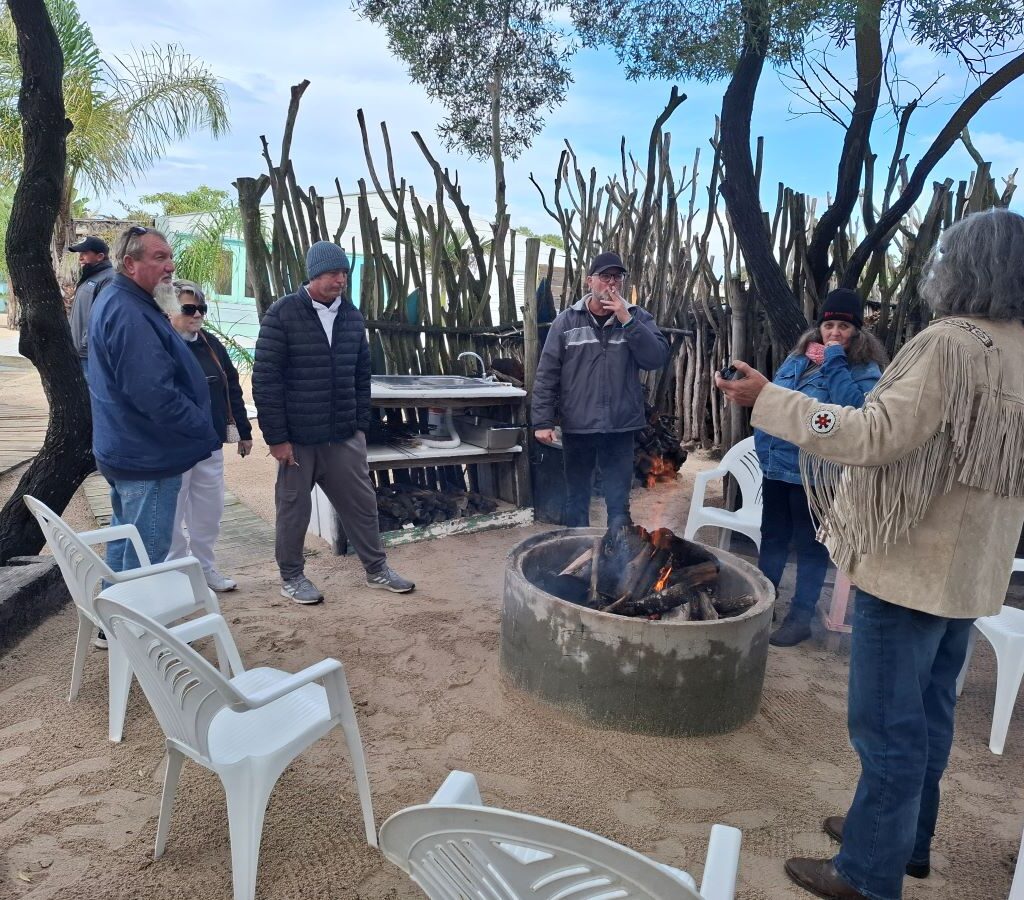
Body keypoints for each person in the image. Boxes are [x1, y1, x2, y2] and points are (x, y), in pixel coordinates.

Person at [716, 207, 1024, 900]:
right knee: (931, 713)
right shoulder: (1019, 349)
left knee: (888, 726)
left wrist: (770, 399)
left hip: (911, 564)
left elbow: (874, 436)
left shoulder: (950, 342)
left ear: (963, 267)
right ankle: (901, 838)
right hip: (972, 573)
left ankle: (867, 872)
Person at [253, 240, 415, 605]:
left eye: (343, 273)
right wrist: (277, 439)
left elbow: (361, 374)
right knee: (293, 508)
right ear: (313, 275)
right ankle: (292, 577)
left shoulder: (352, 317)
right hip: (298, 438)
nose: (340, 279)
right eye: (331, 273)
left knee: (361, 503)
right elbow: (266, 380)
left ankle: (377, 569)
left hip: (343, 435)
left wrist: (359, 426)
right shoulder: (283, 314)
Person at [755, 288, 887, 647]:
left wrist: (835, 362)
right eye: (830, 326)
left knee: (810, 546)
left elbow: (858, 411)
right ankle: (760, 607)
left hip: (815, 475)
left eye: (844, 326)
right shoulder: (798, 358)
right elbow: (775, 399)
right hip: (775, 465)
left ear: (857, 331)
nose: (835, 333)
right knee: (773, 537)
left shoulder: (862, 368)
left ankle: (801, 616)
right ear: (820, 327)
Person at [89, 226, 220, 583]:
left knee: (125, 540)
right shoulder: (130, 312)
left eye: (170, 257)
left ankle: (110, 626)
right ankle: (136, 631)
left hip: (130, 449)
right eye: (159, 257)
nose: (170, 266)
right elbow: (154, 395)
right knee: (146, 554)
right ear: (130, 264)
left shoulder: (128, 300)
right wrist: (201, 428)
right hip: (147, 456)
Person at [532, 251, 669, 528]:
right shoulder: (566, 322)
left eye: (617, 277)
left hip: (620, 426)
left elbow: (655, 358)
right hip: (578, 426)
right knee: (576, 499)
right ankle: (576, 557)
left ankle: (618, 563)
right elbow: (547, 374)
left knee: (618, 502)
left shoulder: (637, 317)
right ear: (589, 281)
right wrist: (543, 421)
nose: (611, 283)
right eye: (605, 276)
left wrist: (627, 320)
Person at [165, 280, 253, 592]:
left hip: (210, 442)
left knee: (208, 510)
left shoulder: (210, 344)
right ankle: (176, 574)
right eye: (189, 309)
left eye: (201, 309)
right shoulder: (161, 344)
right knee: (172, 513)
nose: (197, 314)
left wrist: (244, 430)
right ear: (170, 310)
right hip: (174, 448)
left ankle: (205, 568)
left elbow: (231, 386)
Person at [67, 235, 115, 379]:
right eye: (80, 254)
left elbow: (103, 316)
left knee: (91, 398)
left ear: (100, 256)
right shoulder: (90, 278)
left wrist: (85, 345)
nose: (80, 258)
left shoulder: (109, 279)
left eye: (85, 253)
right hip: (79, 353)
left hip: (90, 356)